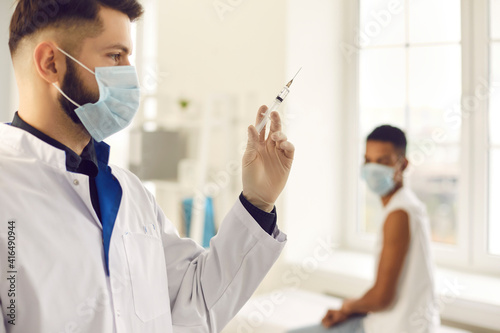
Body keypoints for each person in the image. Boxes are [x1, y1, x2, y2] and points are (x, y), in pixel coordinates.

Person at [0, 1, 295, 332]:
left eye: (130, 59)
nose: (131, 76)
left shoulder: (128, 192)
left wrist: (257, 202)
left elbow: (194, 300)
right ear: (50, 63)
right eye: (115, 56)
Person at [321, 125, 439, 333]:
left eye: (383, 161)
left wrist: (347, 306)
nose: (373, 169)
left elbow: (382, 298)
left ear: (402, 165)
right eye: (368, 160)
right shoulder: (407, 205)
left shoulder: (399, 214)